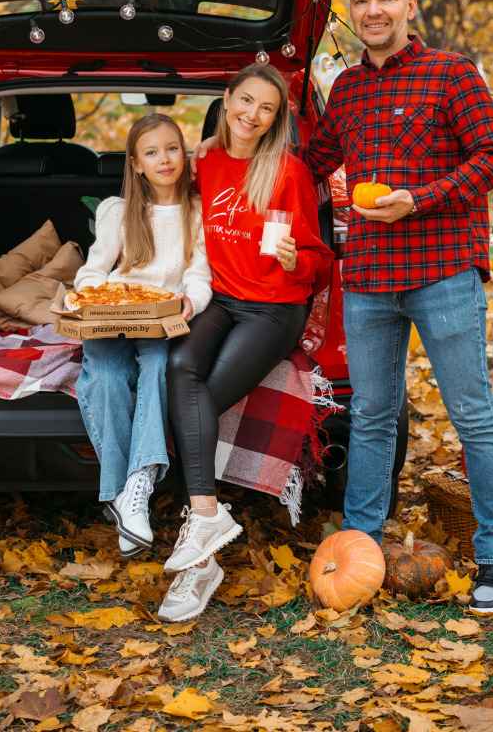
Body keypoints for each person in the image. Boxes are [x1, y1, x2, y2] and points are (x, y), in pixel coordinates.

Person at [194, 0, 493, 614]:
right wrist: (229, 160)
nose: (373, 11)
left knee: (473, 416)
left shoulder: (450, 73)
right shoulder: (344, 90)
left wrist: (419, 200)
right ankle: (359, 547)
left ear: (408, 5)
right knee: (372, 416)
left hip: (442, 270)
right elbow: (310, 163)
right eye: (363, 1)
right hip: (367, 276)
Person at [158, 62, 334, 623]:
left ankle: (197, 559)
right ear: (227, 98)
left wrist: (296, 257)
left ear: (276, 118)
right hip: (222, 298)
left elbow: (320, 260)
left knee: (201, 401)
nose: (252, 115)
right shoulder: (204, 161)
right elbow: (167, 217)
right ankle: (207, 522)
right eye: (245, 101)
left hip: (274, 308)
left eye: (266, 109)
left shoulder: (286, 171)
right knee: (179, 369)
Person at [74, 114, 212, 559]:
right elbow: (94, 269)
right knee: (108, 378)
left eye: (172, 148)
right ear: (135, 163)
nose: (164, 159)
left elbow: (199, 274)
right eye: (151, 152)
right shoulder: (117, 211)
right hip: (113, 312)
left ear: (185, 153)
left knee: (158, 367)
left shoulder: (196, 210)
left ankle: (137, 485)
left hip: (161, 318)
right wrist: (91, 295)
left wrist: (192, 301)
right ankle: (126, 493)